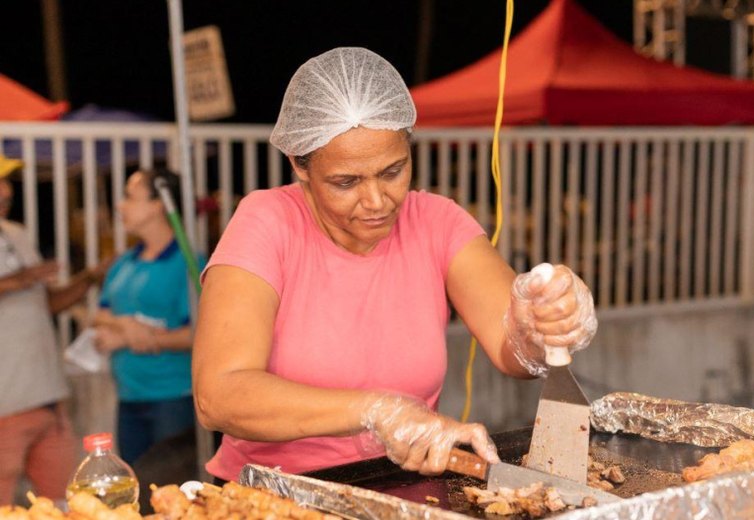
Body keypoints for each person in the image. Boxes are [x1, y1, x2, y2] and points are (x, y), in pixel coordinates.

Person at [193, 47, 598, 482]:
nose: (376, 201)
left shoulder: (436, 222)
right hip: (273, 494)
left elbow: (514, 353)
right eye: (346, 182)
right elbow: (219, 395)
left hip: (401, 487)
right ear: (299, 165)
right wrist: (376, 410)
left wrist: (537, 325)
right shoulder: (268, 221)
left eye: (392, 172)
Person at [0, 154, 108, 506]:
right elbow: (20, 285)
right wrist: (16, 280)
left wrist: (89, 278)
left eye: (7, 183)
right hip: (5, 405)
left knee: (67, 505)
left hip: (47, 398)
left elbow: (45, 304)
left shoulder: (16, 233)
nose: (5, 192)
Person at [93, 167, 206, 464]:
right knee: (136, 490)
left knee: (171, 492)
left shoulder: (189, 263)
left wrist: (144, 338)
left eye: (130, 197)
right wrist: (126, 327)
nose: (120, 205)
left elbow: (200, 332)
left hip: (173, 398)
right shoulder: (125, 262)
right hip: (129, 397)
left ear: (158, 205)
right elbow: (100, 315)